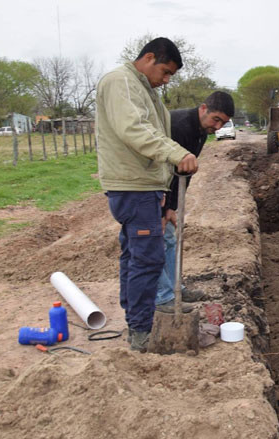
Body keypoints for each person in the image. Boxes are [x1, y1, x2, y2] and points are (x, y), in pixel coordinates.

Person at [96, 37, 198, 351]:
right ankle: (141, 330)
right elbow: (134, 129)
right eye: (165, 72)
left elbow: (153, 130)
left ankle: (135, 320)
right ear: (149, 57)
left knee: (135, 257)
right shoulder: (121, 82)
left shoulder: (144, 89)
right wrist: (176, 153)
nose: (166, 80)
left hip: (143, 186)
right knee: (147, 261)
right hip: (133, 186)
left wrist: (164, 192)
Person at [154, 91, 235, 313]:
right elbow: (163, 172)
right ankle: (162, 297)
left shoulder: (201, 131)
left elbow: (184, 173)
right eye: (216, 119)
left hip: (167, 193)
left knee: (169, 239)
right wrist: (162, 210)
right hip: (151, 190)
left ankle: (175, 288)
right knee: (156, 242)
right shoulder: (179, 126)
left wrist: (172, 208)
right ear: (203, 108)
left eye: (223, 123)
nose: (218, 127)